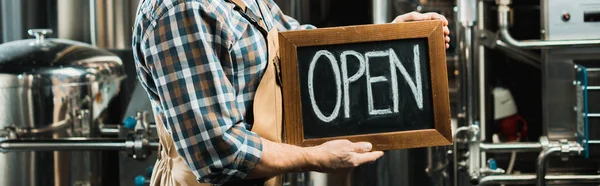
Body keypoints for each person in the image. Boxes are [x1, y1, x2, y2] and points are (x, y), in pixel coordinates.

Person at [132, 0, 450, 185]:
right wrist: (314, 158)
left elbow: (303, 48)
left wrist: (390, 40)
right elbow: (217, 151)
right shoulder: (181, 10)